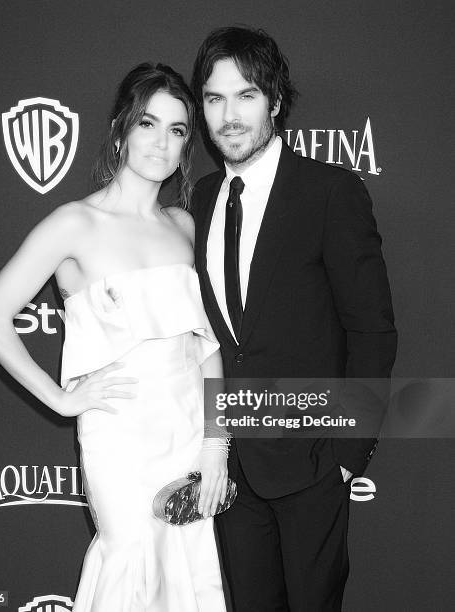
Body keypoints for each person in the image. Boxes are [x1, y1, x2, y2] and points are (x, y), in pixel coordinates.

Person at [0, 63, 228, 612]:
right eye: (148, 124)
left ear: (187, 144)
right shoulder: (73, 224)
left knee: (187, 564)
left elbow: (204, 344)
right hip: (119, 434)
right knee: (130, 558)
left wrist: (215, 442)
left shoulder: (183, 225)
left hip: (185, 429)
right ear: (120, 130)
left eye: (178, 130)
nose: (161, 142)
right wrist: (62, 399)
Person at [191, 27, 397, 611]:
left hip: (312, 464)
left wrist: (345, 458)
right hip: (229, 469)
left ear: (276, 102)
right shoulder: (199, 200)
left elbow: (372, 332)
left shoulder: (329, 192)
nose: (228, 116)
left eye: (246, 95)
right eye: (213, 98)